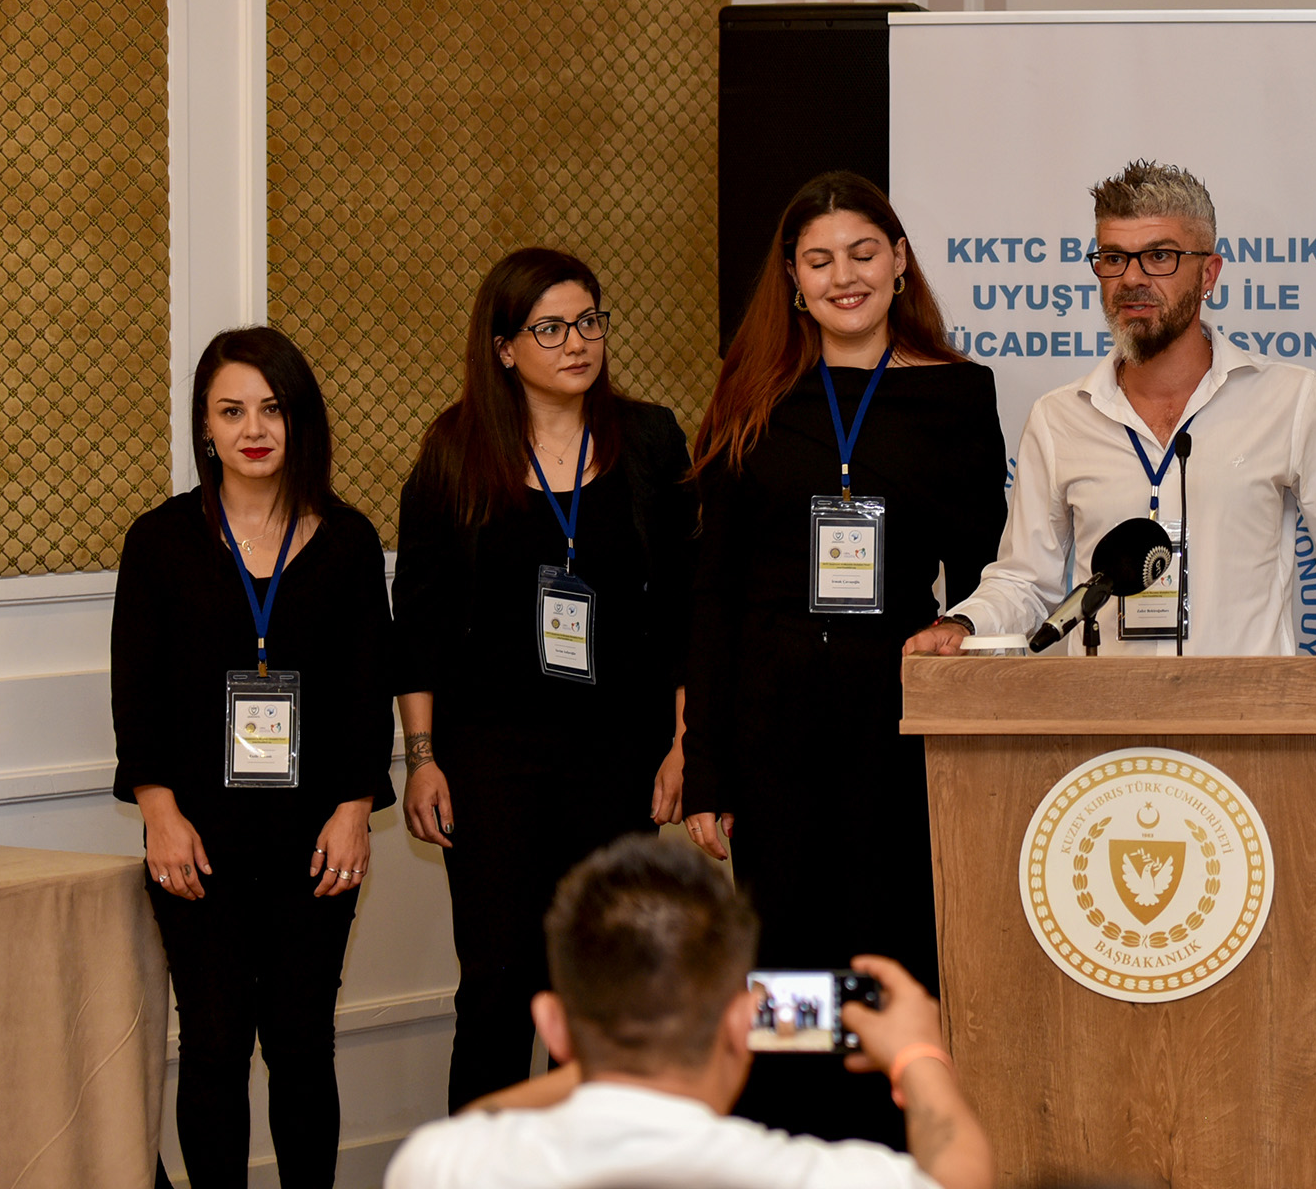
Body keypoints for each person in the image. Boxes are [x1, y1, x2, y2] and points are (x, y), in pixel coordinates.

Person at [682, 171, 1006, 1144]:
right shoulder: (751, 392)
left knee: (887, 943)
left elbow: (990, 574)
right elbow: (714, 594)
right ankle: (792, 1143)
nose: (844, 276)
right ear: (792, 278)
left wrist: (965, 638)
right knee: (787, 954)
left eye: (863, 253)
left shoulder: (957, 394)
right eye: (819, 260)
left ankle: (885, 1150)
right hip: (771, 719)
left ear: (899, 261)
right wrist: (706, 765)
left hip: (894, 720)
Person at [908, 158, 1316, 704]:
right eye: (1113, 258)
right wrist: (962, 625)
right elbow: (1025, 580)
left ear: (1209, 274)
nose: (1131, 278)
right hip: (1103, 721)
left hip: (1249, 716)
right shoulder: (1059, 418)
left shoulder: (1289, 399)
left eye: (1159, 256)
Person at [393, 247, 699, 1112]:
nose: (577, 343)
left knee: (609, 990)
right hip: (492, 759)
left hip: (619, 754)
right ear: (504, 348)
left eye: (589, 321)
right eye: (551, 329)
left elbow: (687, 605)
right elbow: (418, 621)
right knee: (497, 989)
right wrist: (422, 757)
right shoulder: (455, 451)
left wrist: (685, 742)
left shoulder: (649, 440)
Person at [111, 327, 395, 1189]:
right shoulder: (160, 541)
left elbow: (366, 688)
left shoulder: (348, 541)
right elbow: (137, 691)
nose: (254, 429)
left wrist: (355, 810)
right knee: (215, 1046)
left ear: (298, 418)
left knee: (303, 1045)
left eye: (272, 408)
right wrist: (159, 813)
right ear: (205, 426)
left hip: (315, 843)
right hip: (198, 841)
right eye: (231, 411)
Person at [382, 834, 993, 1189]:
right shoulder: (825, 1177)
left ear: (553, 1026)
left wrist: (607, 1050)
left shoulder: (443, 1167)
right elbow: (959, 1174)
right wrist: (918, 1054)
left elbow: (473, 1123)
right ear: (743, 1022)